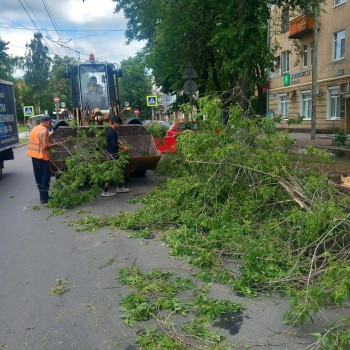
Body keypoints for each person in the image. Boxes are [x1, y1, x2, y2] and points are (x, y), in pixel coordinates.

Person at [27, 115, 59, 204]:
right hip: (42, 157)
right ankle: (44, 198)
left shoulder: (35, 128)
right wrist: (55, 144)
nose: (50, 124)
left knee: (39, 177)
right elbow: (45, 146)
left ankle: (44, 197)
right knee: (45, 178)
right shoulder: (44, 130)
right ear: (45, 122)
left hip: (34, 156)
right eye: (49, 122)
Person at [102, 115, 130, 197]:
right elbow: (113, 145)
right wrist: (123, 148)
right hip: (112, 154)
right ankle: (105, 191)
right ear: (114, 122)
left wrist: (118, 141)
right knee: (111, 173)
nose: (119, 126)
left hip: (112, 153)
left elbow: (112, 141)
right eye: (119, 124)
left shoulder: (111, 130)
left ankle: (119, 187)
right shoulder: (111, 132)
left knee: (118, 170)